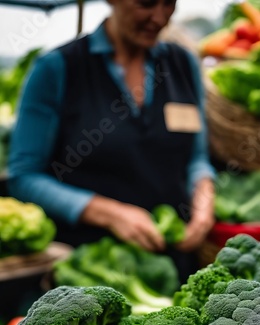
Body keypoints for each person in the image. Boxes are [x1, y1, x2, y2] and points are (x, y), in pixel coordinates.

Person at [6, 0, 217, 283]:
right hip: (87, 272)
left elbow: (197, 158)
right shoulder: (57, 68)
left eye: (169, 3)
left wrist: (204, 198)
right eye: (146, 3)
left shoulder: (183, 64)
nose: (159, 17)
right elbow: (24, 176)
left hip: (170, 267)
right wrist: (109, 214)